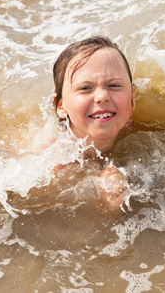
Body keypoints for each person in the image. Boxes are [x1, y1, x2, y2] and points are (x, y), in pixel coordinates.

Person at [52, 35, 136, 214]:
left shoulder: (138, 129)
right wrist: (107, 207)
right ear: (60, 106)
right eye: (85, 88)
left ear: (132, 98)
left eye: (113, 85)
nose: (102, 96)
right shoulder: (57, 164)